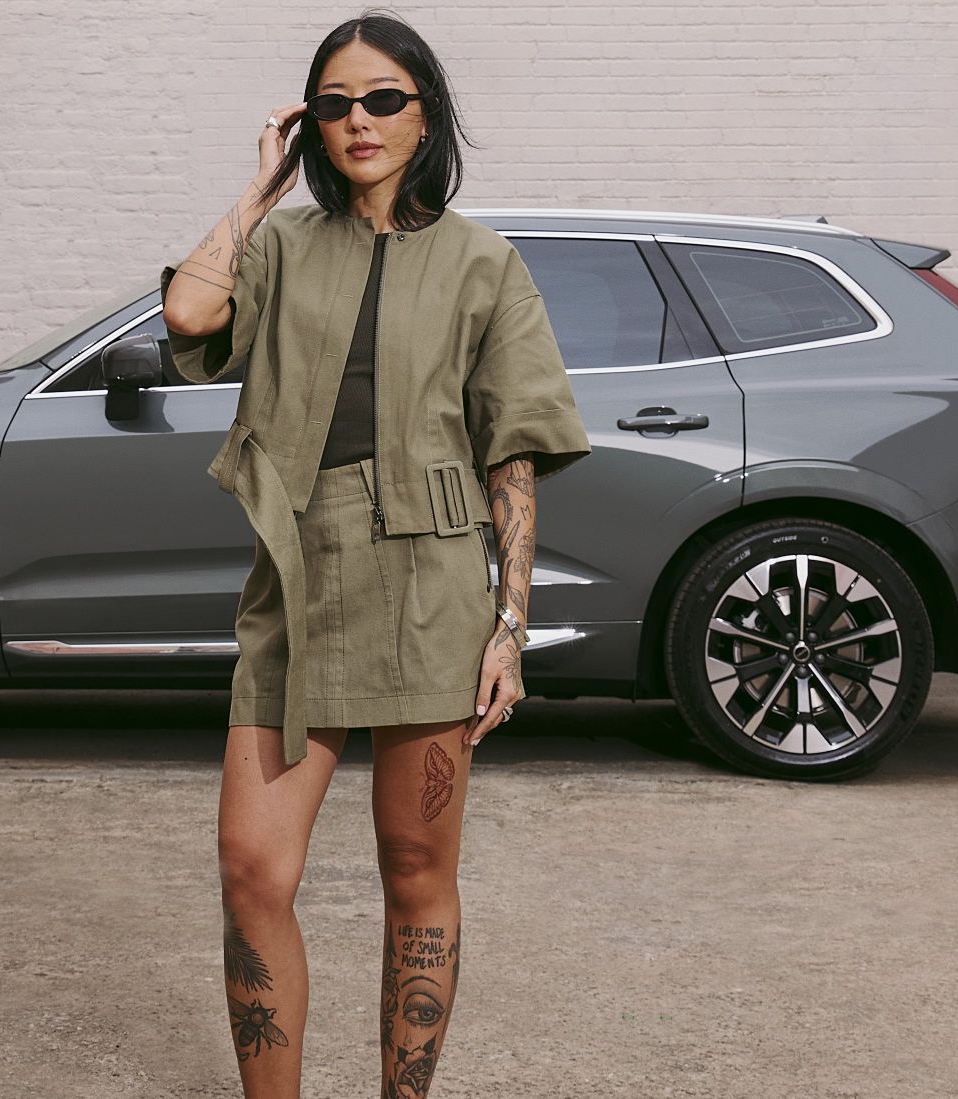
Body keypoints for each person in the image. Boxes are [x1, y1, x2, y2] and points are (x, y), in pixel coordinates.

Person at [159, 11, 590, 1096]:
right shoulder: (281, 247)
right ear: (312, 122)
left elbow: (511, 458)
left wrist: (509, 627)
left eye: (383, 99)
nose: (359, 120)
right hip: (295, 582)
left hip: (430, 585)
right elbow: (190, 311)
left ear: (424, 115)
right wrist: (261, 189)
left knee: (415, 869)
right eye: (335, 103)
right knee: (252, 869)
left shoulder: (483, 263)